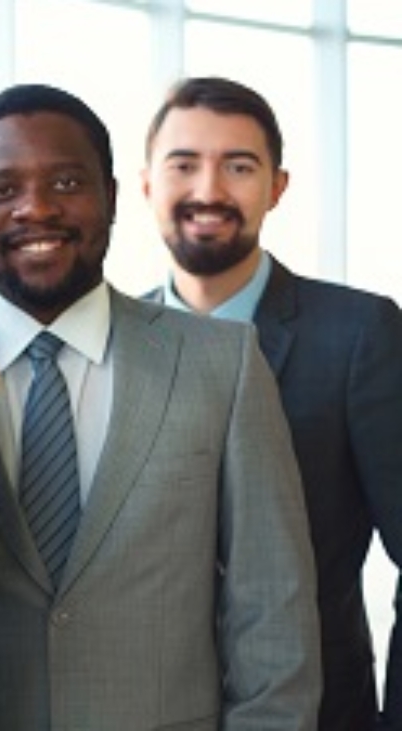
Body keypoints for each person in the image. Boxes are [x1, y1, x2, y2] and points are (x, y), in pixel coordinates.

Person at [0, 82, 322, 729]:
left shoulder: (222, 362)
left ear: (112, 195)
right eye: (1, 190)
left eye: (65, 182)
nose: (35, 209)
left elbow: (272, 608)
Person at [141, 75, 402, 731]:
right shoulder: (112, 343)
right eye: (184, 165)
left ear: (277, 186)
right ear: (146, 183)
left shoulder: (359, 334)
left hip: (322, 710)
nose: (208, 191)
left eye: (238, 166)